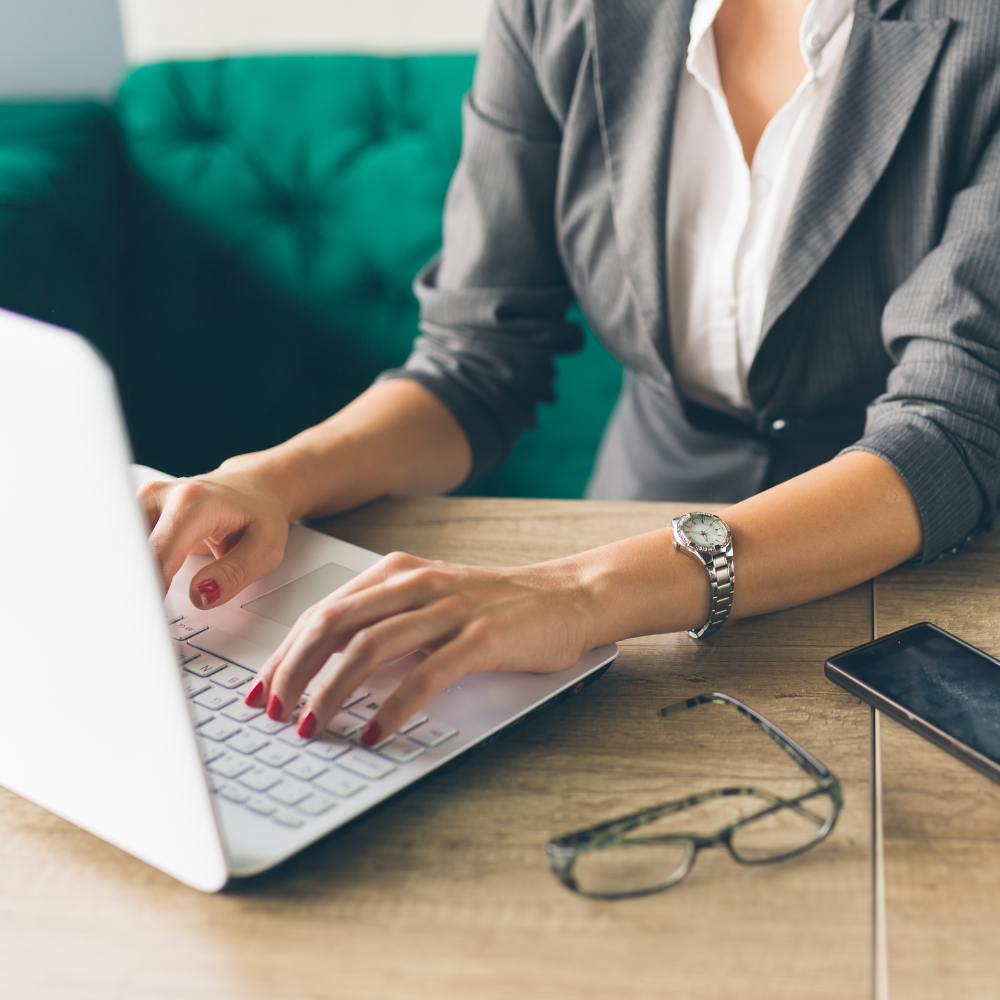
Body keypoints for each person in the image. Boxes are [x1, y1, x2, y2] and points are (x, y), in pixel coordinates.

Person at [141, 0, 1000, 749]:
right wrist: (270, 478)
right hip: (644, 546)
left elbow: (949, 429)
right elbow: (476, 359)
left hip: (925, 581)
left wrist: (578, 592)